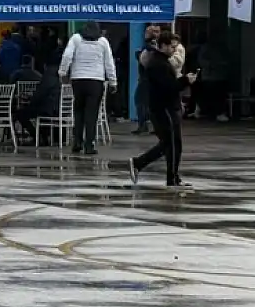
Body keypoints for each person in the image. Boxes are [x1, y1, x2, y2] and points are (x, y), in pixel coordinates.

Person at [127, 32, 198, 189]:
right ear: (163, 45)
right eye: (172, 46)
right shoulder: (158, 64)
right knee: (171, 144)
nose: (174, 50)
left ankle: (142, 164)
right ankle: (170, 177)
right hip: (163, 109)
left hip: (166, 107)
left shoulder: (162, 62)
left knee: (170, 144)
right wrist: (186, 81)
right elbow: (168, 87)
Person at [59, 22, 117, 156]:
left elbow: (67, 56)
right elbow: (109, 62)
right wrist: (113, 81)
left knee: (78, 111)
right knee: (92, 114)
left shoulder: (76, 38)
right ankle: (89, 145)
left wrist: (62, 73)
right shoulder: (103, 41)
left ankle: (77, 142)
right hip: (96, 81)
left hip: (78, 80)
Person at [132, 24, 162, 134]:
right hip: (150, 78)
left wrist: (139, 55)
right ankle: (151, 125)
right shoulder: (154, 45)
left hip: (147, 78)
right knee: (149, 103)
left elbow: (146, 61)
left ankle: (144, 125)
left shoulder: (151, 46)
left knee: (141, 101)